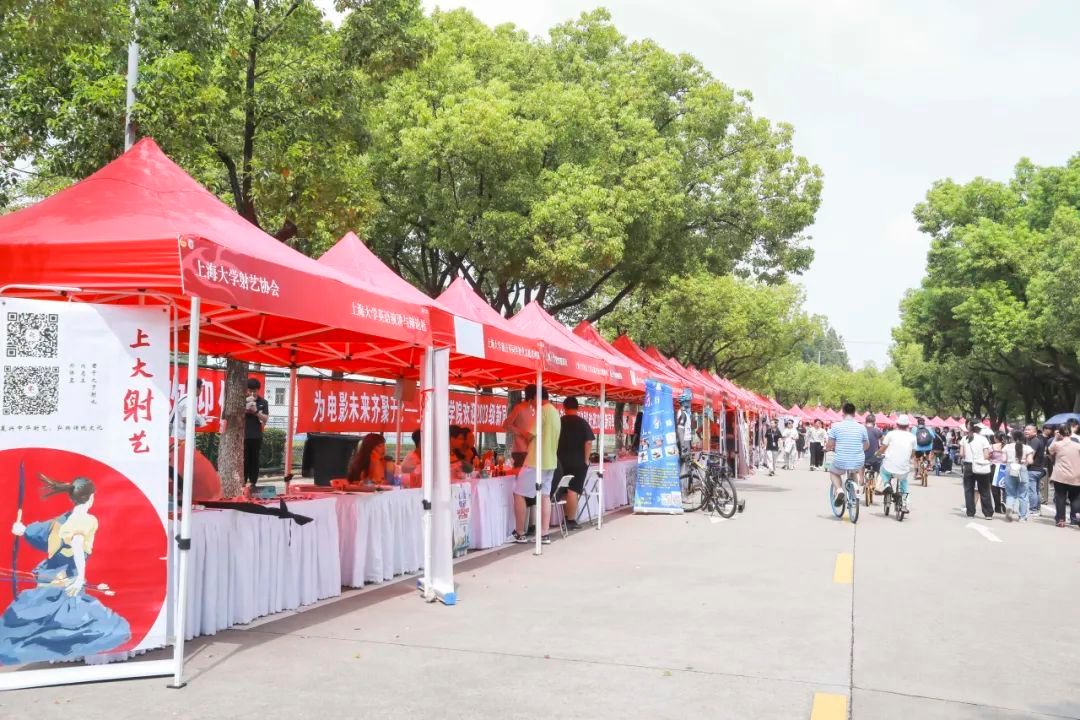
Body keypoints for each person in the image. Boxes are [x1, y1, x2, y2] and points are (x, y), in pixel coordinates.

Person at [0, 474, 131, 664]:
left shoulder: (59, 521)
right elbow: (77, 547)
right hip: (67, 581)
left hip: (48, 579)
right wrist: (80, 578)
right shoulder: (86, 520)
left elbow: (36, 533)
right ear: (91, 497)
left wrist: (21, 529)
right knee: (109, 627)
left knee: (33, 623)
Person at [511, 386, 560, 545]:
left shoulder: (542, 412)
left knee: (519, 493)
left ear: (534, 397)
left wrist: (516, 429)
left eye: (530, 400)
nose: (530, 404)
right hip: (550, 461)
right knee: (545, 496)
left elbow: (529, 434)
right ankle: (544, 534)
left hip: (535, 461)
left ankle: (520, 532)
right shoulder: (554, 411)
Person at [557, 396, 594, 529]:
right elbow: (588, 442)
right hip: (578, 462)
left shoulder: (559, 422)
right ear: (578, 408)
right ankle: (570, 520)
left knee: (563, 490)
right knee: (572, 491)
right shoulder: (582, 423)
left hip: (560, 462)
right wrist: (586, 459)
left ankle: (565, 518)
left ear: (564, 407)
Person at [826, 403, 869, 507]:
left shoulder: (836, 426)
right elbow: (867, 445)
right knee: (853, 471)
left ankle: (839, 490)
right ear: (854, 413)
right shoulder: (861, 427)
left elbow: (830, 444)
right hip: (857, 460)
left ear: (843, 412)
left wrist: (826, 448)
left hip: (841, 459)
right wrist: (858, 450)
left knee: (833, 472)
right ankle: (854, 497)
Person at [879, 414, 916, 510]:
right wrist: (908, 459)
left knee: (882, 470)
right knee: (904, 481)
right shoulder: (912, 437)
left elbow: (883, 448)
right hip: (903, 468)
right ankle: (904, 503)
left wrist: (877, 453)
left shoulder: (890, 434)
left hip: (889, 467)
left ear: (897, 424)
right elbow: (913, 453)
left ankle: (887, 484)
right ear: (908, 425)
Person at [1048, 424, 1080, 528]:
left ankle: (1061, 520)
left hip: (1060, 475)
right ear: (1070, 433)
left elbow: (1049, 450)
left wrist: (1055, 438)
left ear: (1060, 433)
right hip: (1076, 475)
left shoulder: (1057, 444)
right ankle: (1076, 517)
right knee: (1075, 498)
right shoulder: (1078, 445)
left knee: (1060, 497)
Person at [960, 421, 993, 519]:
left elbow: (962, 454)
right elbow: (986, 455)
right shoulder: (983, 439)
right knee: (984, 489)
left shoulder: (964, 439)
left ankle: (970, 512)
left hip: (968, 465)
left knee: (968, 489)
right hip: (980, 465)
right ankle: (988, 513)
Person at [243, 378, 270, 490]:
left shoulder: (263, 402)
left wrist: (255, 411)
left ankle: (253, 483)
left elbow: (265, 419)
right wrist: (245, 409)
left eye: (254, 391)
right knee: (244, 460)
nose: (252, 393)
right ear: (246, 390)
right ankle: (242, 482)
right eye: (250, 391)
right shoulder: (241, 401)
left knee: (254, 460)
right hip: (243, 437)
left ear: (258, 390)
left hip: (256, 436)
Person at [1003, 429, 1034, 522]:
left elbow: (1004, 460)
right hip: (1022, 468)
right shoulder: (1027, 448)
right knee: (1023, 494)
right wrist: (1023, 461)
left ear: (1012, 437)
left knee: (1010, 493)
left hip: (1010, 468)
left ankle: (1009, 507)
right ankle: (1022, 517)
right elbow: (1030, 461)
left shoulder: (1007, 447)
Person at [504, 392, 536, 469]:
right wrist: (522, 433)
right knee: (520, 474)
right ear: (533, 397)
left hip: (532, 450)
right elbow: (506, 424)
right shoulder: (519, 408)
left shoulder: (537, 409)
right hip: (520, 450)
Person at [1024, 424, 1046, 515]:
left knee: (1032, 490)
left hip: (1033, 469)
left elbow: (1030, 457)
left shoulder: (1034, 441)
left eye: (1029, 430)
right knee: (1036, 490)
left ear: (1035, 432)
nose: (1026, 431)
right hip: (1038, 469)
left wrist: (1023, 466)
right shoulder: (1034, 440)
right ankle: (1037, 508)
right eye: (1025, 429)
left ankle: (1033, 509)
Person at [989, 431, 1008, 514]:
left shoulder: (993, 446)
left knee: (995, 489)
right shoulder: (1008, 446)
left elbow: (988, 456)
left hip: (995, 467)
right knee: (1006, 488)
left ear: (996, 438)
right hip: (1005, 468)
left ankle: (997, 507)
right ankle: (1006, 504)